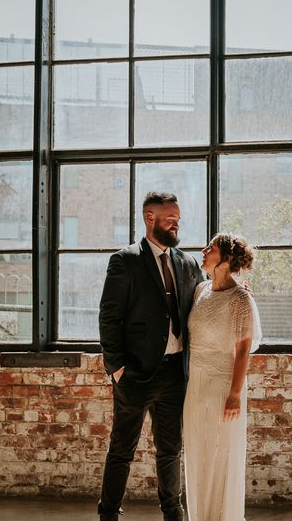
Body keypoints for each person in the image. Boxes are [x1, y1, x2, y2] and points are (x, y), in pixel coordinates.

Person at [98, 191, 206, 521]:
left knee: (171, 450)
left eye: (178, 219)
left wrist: (238, 288)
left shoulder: (187, 263)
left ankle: (173, 514)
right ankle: (108, 514)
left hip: (175, 374)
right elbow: (108, 316)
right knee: (122, 449)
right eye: (170, 218)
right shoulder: (125, 260)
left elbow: (206, 299)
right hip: (135, 374)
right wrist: (116, 368)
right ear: (150, 218)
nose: (176, 224)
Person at [183, 233, 262, 521]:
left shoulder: (240, 299)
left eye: (211, 248)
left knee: (222, 455)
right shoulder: (200, 290)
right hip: (196, 383)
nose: (203, 250)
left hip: (224, 385)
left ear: (226, 259)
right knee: (197, 453)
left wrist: (234, 395)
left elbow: (243, 354)